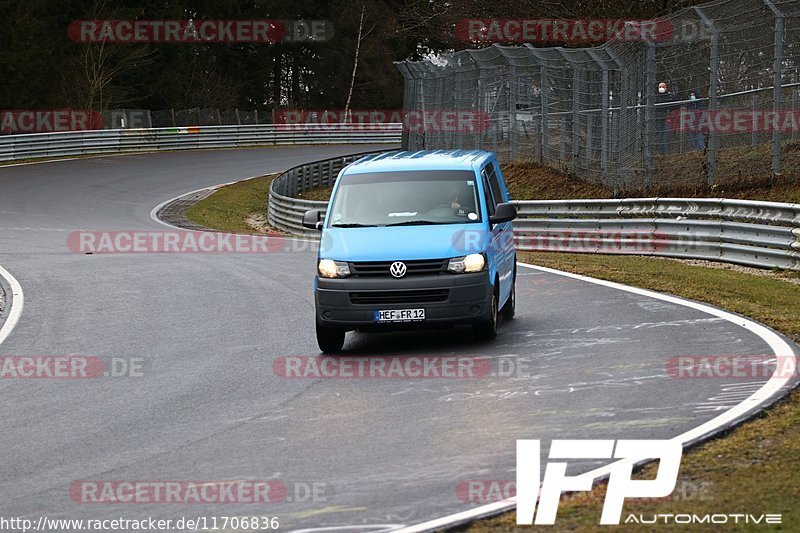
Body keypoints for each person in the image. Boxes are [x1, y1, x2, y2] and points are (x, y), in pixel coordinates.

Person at [655, 82, 677, 155]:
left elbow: (673, 106)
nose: (661, 88)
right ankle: (662, 153)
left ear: (666, 88)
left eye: (663, 87)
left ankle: (667, 152)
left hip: (668, 118)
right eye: (660, 87)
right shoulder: (656, 96)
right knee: (660, 136)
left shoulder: (669, 96)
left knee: (667, 135)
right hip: (659, 118)